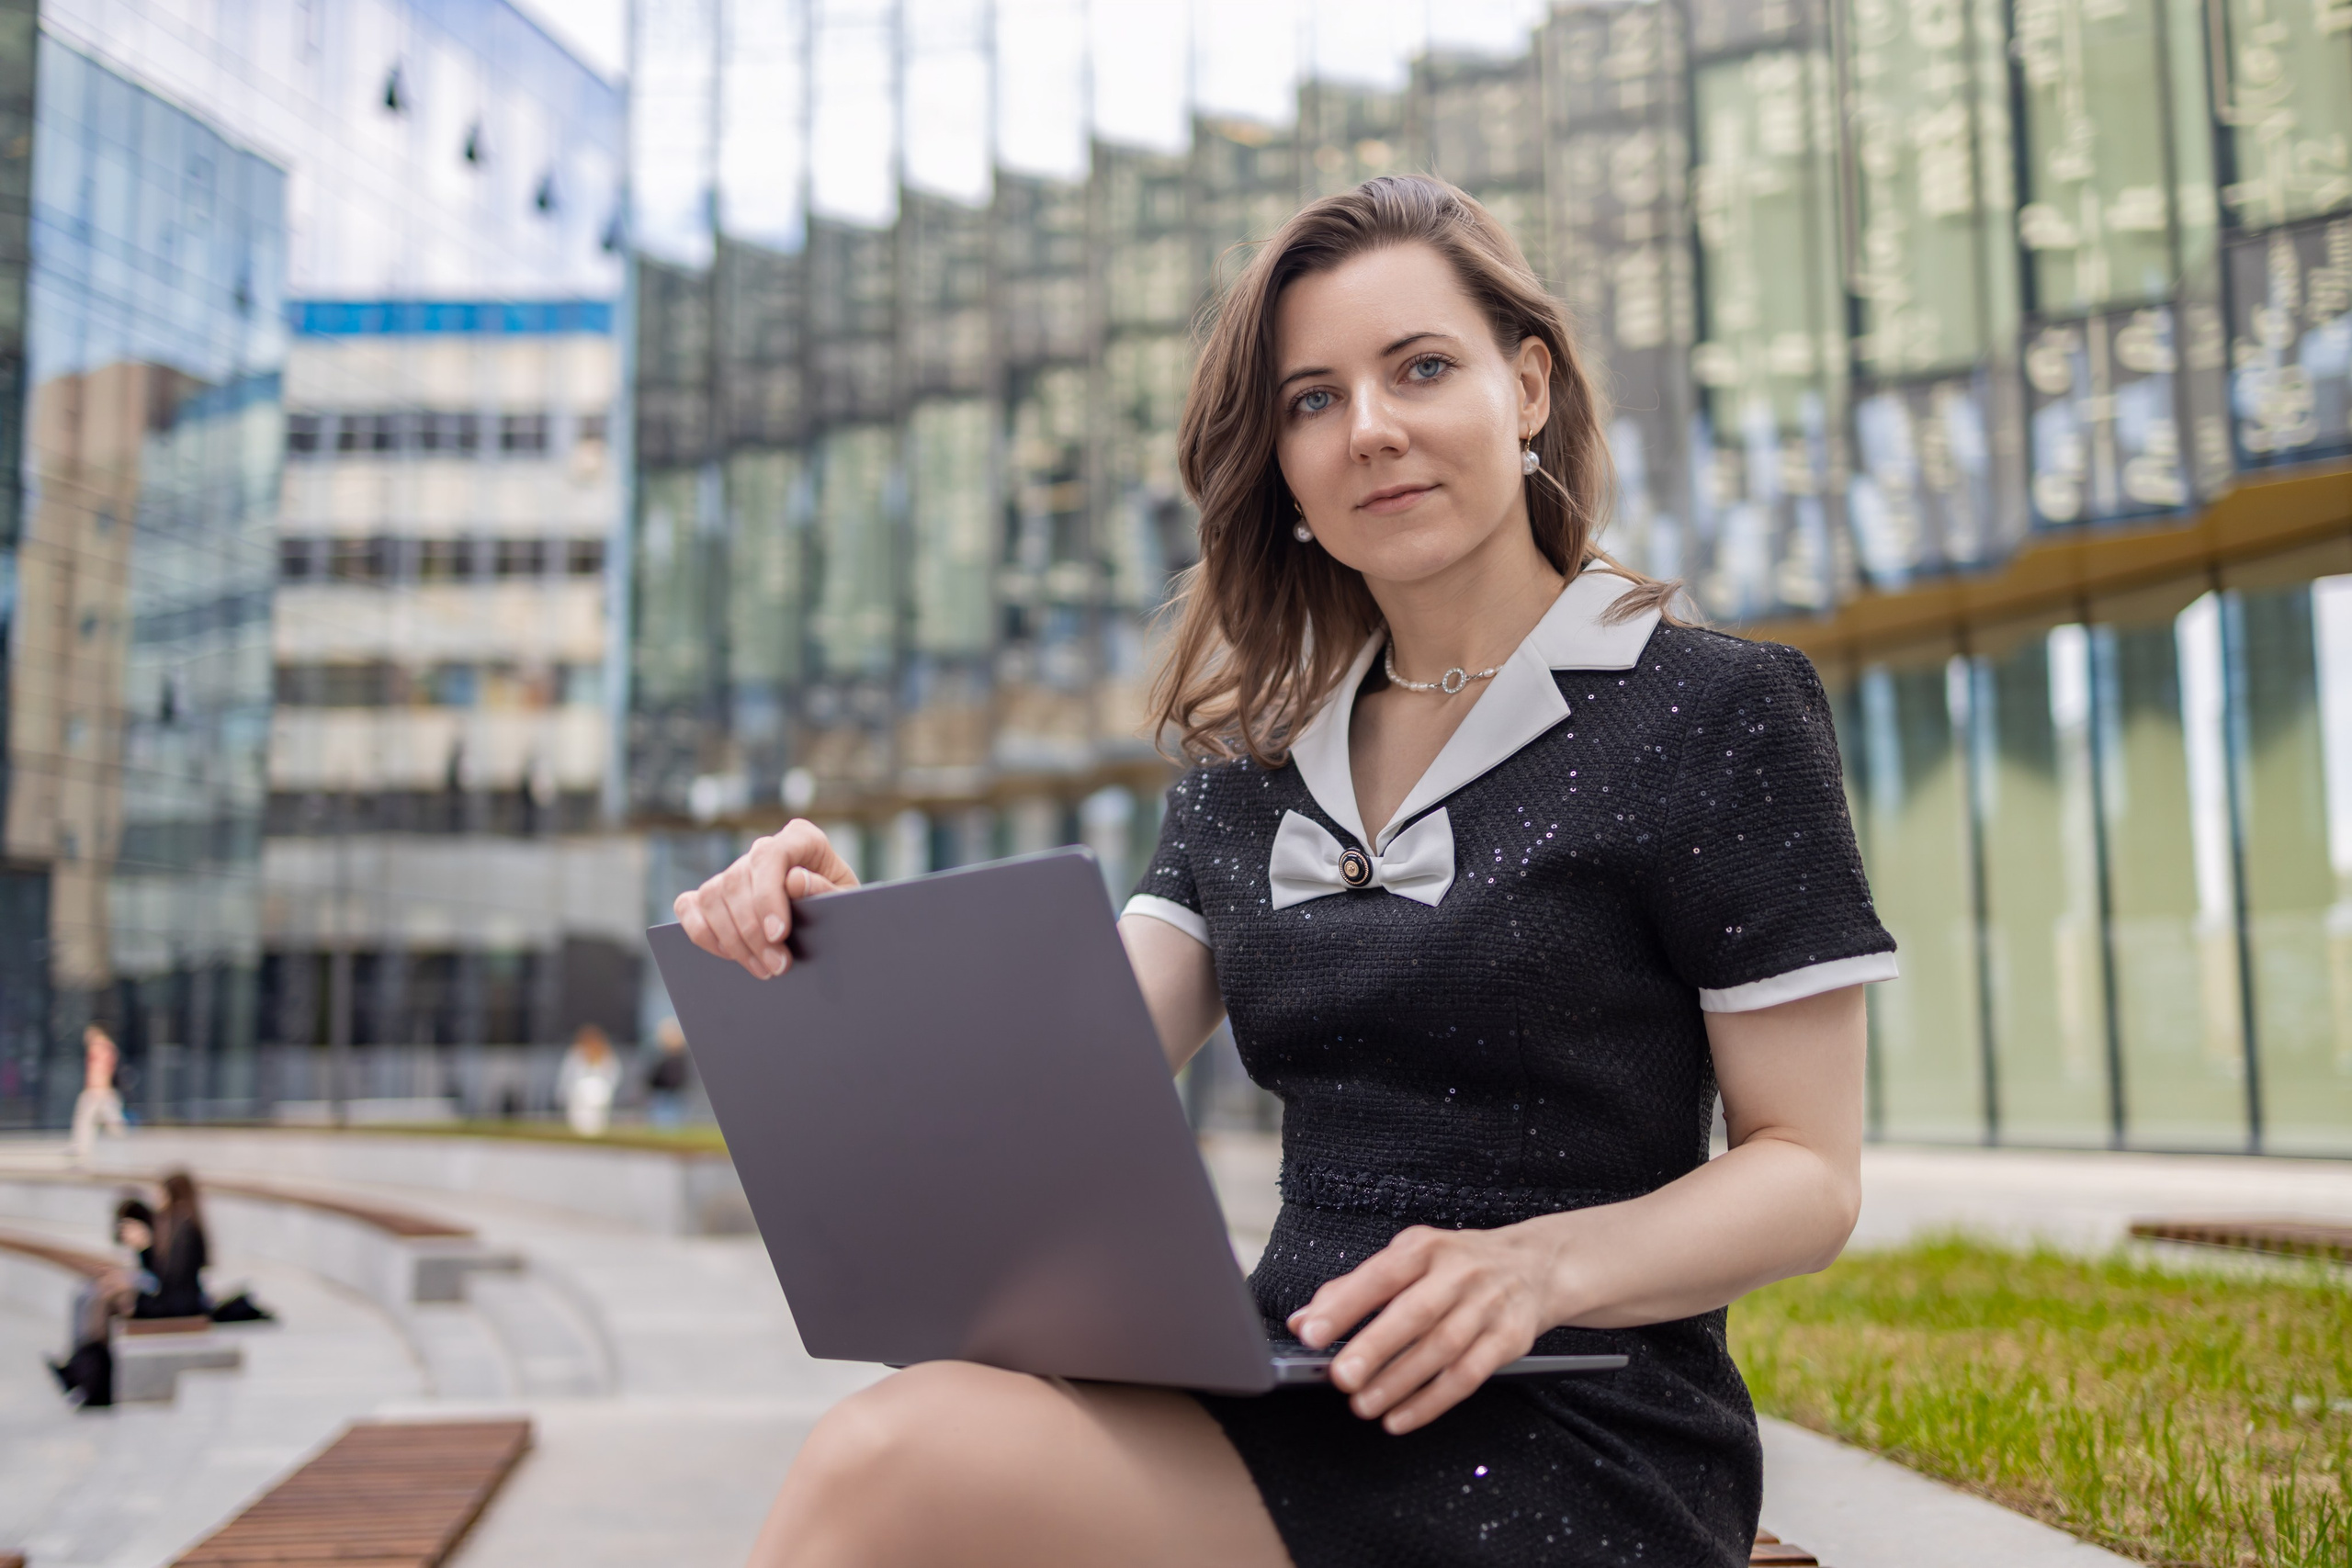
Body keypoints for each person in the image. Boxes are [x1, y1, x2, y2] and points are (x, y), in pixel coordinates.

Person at [673, 175, 1896, 1568]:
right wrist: (836, 943)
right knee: (922, 1422)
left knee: (893, 1466)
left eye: (1420, 368)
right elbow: (1053, 1075)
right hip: (1288, 1386)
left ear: (1530, 385)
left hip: (1578, 1424)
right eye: (1313, 399)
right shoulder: (1253, 768)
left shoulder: (1713, 711)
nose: (1369, 429)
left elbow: (1809, 1171)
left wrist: (1535, 1266)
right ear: (1282, 461)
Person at [47, 1198, 157, 1408]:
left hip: (155, 1296)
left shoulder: (154, 1238)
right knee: (86, 1294)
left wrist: (125, 1279)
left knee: (100, 1300)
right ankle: (81, 1365)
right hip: (145, 1288)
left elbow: (156, 1279)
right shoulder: (148, 1239)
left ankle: (84, 1371)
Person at [135, 1169, 211, 1320]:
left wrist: (144, 1249)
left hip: (178, 1306)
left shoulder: (183, 1229)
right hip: (179, 1302)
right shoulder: (179, 1225)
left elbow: (169, 1278)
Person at [69, 1022, 128, 1167]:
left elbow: (100, 1070)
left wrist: (98, 1087)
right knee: (110, 1118)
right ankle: (123, 1140)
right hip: (102, 1090)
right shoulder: (108, 1047)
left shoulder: (98, 1047)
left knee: (86, 1118)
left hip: (97, 1090)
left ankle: (81, 1148)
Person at [557, 1024, 620, 1136]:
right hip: (579, 1099)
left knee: (597, 1124)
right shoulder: (576, 1055)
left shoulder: (607, 1056)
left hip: (599, 1100)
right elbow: (567, 1077)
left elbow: (613, 1076)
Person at [645, 1018, 691, 1129]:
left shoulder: (679, 1058)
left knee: (671, 1124)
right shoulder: (660, 1057)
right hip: (663, 1094)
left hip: (672, 1095)